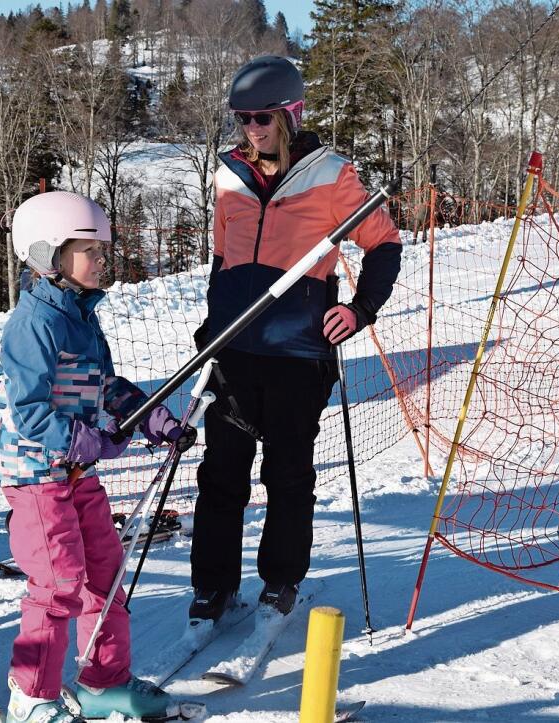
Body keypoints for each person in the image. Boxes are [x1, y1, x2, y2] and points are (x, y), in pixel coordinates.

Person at [189, 56, 402, 620]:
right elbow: (221, 257)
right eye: (242, 119)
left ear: (289, 114)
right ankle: (212, 586)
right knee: (220, 474)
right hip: (233, 348)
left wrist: (360, 310)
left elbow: (384, 245)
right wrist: (212, 324)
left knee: (286, 474)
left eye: (262, 117)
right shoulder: (228, 175)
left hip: (296, 353)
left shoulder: (330, 174)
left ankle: (281, 580)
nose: (251, 129)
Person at [0, 191, 196, 723]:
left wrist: (153, 418)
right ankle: (29, 697)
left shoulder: (81, 318)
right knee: (59, 581)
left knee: (104, 572)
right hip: (37, 478)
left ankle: (103, 681)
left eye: (103, 249)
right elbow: (29, 411)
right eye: (90, 250)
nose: (103, 260)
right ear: (48, 254)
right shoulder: (34, 324)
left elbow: (106, 387)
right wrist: (91, 441)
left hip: (75, 474)